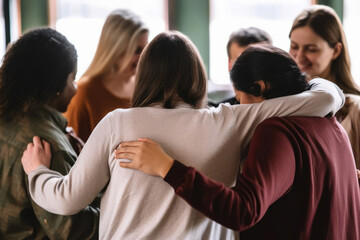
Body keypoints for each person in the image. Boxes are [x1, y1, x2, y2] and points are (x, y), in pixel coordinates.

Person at [21, 34, 343, 239]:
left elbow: (67, 199)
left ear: (144, 74)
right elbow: (324, 99)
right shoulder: (230, 121)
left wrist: (37, 172)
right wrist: (317, 82)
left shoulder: (118, 123)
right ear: (197, 76)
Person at [114, 45, 360, 239]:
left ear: (260, 87)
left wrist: (167, 167)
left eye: (241, 100)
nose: (240, 110)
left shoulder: (275, 132)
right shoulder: (331, 124)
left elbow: (243, 210)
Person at [0, 28, 99, 239]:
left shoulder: (5, 117)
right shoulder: (46, 147)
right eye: (72, 79)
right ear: (54, 85)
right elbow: (73, 231)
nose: (75, 88)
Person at [289, 4, 360, 168]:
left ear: (336, 51)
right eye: (294, 47)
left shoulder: (355, 110)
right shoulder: (286, 104)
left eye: (311, 49)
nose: (299, 57)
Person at [64, 9, 149, 142]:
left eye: (146, 49)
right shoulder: (84, 92)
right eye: (137, 50)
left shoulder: (148, 87)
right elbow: (74, 151)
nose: (144, 57)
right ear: (115, 51)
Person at [209, 27, 272, 106]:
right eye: (239, 64)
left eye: (256, 64)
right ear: (230, 65)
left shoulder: (287, 107)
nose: (249, 73)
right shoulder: (217, 114)